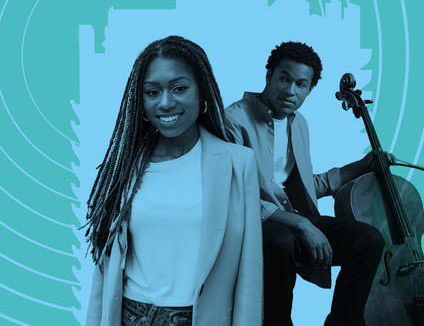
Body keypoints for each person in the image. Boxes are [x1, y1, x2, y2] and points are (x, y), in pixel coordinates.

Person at [85, 36, 263, 326]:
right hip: (131, 317)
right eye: (152, 92)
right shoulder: (122, 168)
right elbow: (103, 277)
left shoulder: (238, 163)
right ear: (140, 102)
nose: (166, 103)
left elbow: (250, 279)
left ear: (201, 93)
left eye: (179, 88)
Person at [225, 41, 389, 326]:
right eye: (284, 79)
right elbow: (233, 193)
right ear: (269, 76)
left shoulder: (297, 123)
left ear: (309, 90)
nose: (290, 91)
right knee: (281, 240)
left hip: (290, 222)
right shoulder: (233, 120)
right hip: (249, 226)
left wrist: (360, 167)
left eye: (301, 84)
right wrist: (300, 224)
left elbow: (298, 186)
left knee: (368, 240)